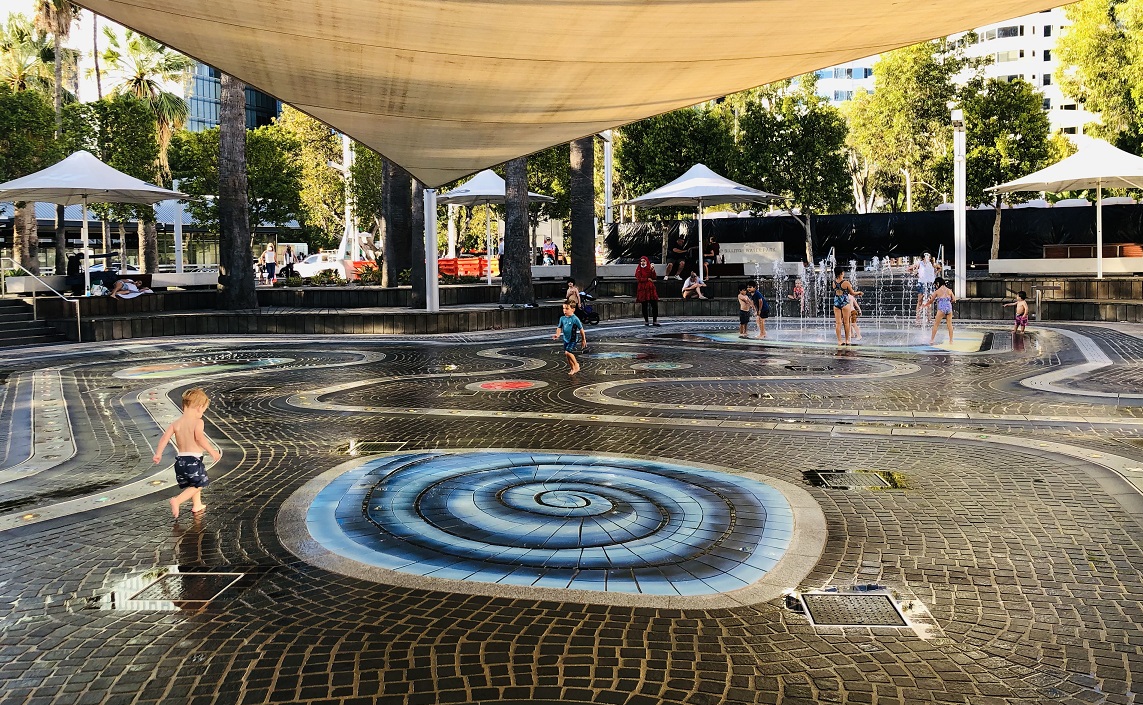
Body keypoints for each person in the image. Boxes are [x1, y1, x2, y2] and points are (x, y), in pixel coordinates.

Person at [153, 388, 222, 519]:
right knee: (200, 484)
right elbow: (200, 438)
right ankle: (177, 501)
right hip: (193, 461)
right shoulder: (198, 422)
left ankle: (197, 505)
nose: (202, 413)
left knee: (193, 483)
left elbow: (164, 439)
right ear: (199, 407)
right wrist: (213, 452)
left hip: (180, 462)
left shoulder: (176, 423)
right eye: (203, 410)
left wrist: (158, 454)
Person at [553, 302, 586, 375]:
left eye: (567, 308)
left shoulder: (575, 319)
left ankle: (576, 365)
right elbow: (559, 327)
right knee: (567, 355)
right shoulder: (562, 318)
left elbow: (581, 329)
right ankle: (572, 368)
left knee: (568, 352)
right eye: (563, 308)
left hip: (573, 339)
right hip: (566, 339)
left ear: (573, 309)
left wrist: (583, 339)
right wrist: (557, 335)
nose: (565, 310)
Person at [831, 266, 861, 345]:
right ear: (841, 273)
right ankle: (847, 340)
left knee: (838, 323)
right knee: (846, 322)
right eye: (843, 272)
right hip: (844, 302)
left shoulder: (833, 282)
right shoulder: (846, 283)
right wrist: (859, 293)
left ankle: (839, 341)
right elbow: (852, 293)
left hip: (836, 302)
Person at [923, 277, 956, 345]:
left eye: (935, 285)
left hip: (941, 308)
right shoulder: (949, 290)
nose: (935, 286)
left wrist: (925, 305)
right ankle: (951, 341)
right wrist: (949, 301)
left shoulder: (937, 291)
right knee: (949, 325)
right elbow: (954, 299)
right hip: (949, 308)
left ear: (938, 283)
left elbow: (931, 301)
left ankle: (932, 340)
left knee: (936, 324)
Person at [910, 252, 937, 323]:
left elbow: (939, 268)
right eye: (927, 256)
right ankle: (918, 319)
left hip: (929, 283)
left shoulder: (931, 264)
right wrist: (916, 274)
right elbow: (909, 269)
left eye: (929, 256)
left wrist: (934, 274)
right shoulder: (919, 263)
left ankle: (929, 318)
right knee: (920, 301)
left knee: (929, 301)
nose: (928, 258)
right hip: (921, 283)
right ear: (923, 257)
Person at [634, 256, 660, 326]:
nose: (642, 262)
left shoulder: (649, 268)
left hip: (650, 288)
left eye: (644, 261)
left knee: (654, 305)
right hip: (643, 289)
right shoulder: (639, 269)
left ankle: (655, 320)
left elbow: (654, 277)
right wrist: (647, 279)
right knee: (644, 305)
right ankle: (646, 321)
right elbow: (639, 278)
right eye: (641, 261)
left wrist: (653, 270)